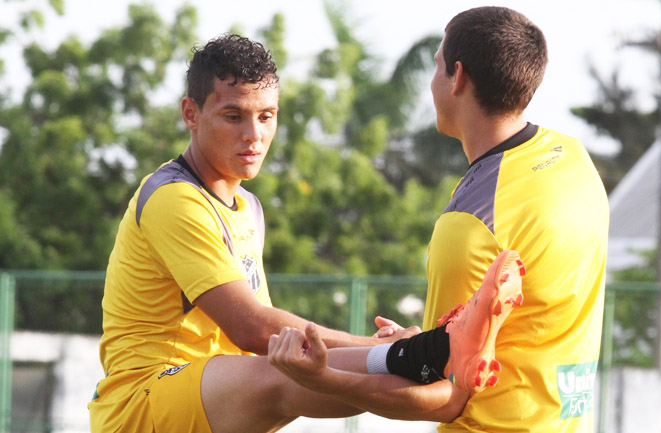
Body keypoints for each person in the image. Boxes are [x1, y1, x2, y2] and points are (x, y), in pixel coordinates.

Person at [88, 33, 526, 433]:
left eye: (266, 116)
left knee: (297, 365)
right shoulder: (173, 197)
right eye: (233, 116)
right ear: (191, 113)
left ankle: (443, 375)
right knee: (286, 371)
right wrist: (370, 345)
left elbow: (267, 341)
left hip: (209, 398)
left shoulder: (249, 208)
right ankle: (431, 354)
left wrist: (369, 351)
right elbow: (252, 328)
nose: (254, 135)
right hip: (142, 401)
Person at [271, 6, 609, 433]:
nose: (432, 82)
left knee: (267, 377)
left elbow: (441, 396)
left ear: (458, 77)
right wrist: (419, 346)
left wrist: (325, 378)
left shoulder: (471, 223)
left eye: (436, 66)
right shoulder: (574, 159)